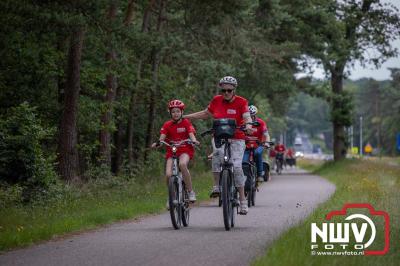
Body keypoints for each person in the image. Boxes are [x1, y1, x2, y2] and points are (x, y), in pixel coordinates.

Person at [184, 76, 252, 215]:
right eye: (223, 90)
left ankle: (243, 200)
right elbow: (206, 113)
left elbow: (246, 116)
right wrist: (186, 117)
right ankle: (217, 186)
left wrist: (249, 125)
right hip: (219, 137)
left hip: (237, 138)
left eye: (229, 90)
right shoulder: (216, 100)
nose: (226, 93)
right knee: (216, 156)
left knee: (237, 166)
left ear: (234, 90)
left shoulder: (241, 102)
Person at [152, 100, 200, 209]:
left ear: (182, 112)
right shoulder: (167, 125)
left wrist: (194, 140)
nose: (176, 113)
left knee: (182, 165)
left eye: (178, 111)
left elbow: (191, 134)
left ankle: (190, 191)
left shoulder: (186, 123)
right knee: (169, 175)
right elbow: (162, 138)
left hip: (185, 150)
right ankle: (171, 197)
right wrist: (157, 143)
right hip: (172, 152)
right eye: (173, 112)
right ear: (170, 113)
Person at [242, 105, 270, 182]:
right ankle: (245, 177)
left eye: (253, 116)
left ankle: (260, 174)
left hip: (258, 145)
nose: (251, 117)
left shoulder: (261, 123)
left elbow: (266, 134)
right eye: (250, 116)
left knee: (257, 153)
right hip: (246, 146)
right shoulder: (243, 123)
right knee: (244, 161)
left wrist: (267, 142)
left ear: (255, 115)